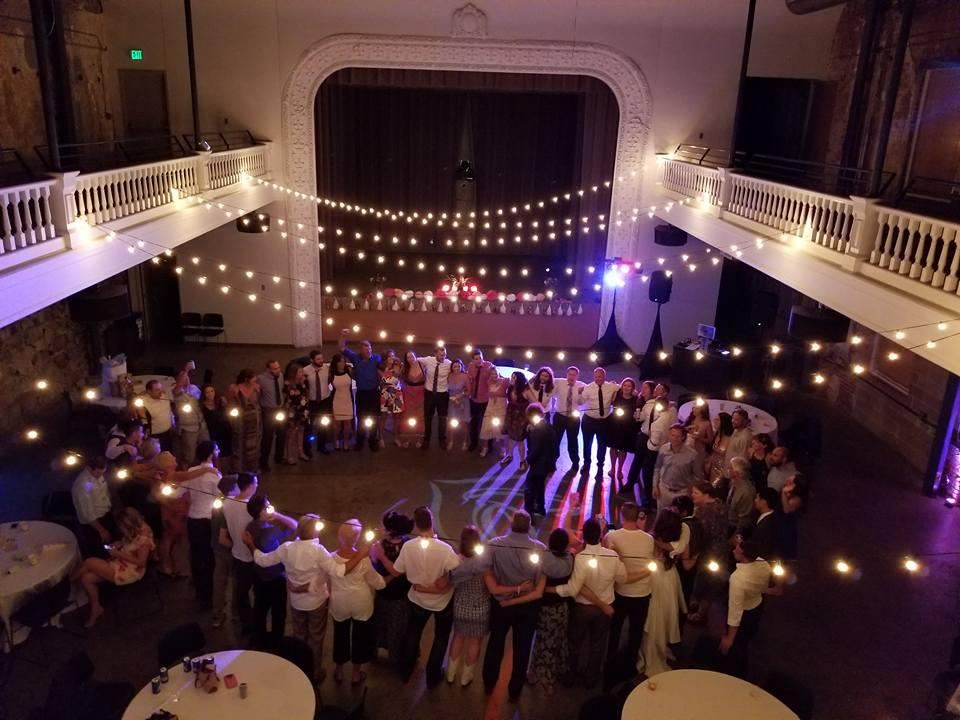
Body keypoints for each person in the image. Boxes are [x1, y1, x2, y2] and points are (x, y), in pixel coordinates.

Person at [254, 514, 359, 683]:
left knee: (299, 636)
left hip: (296, 602)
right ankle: (315, 672)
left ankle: (300, 670)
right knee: (316, 638)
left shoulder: (286, 548)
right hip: (317, 602)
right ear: (314, 532)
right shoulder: (318, 551)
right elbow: (338, 571)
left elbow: (263, 561)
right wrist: (361, 555)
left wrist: (251, 546)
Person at [553, 517, 627, 690]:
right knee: (597, 645)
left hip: (582, 608)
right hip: (605, 608)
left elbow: (573, 589)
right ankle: (591, 679)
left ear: (584, 537)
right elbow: (623, 579)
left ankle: (570, 676)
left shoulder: (580, 558)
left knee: (574, 643)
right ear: (601, 535)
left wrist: (552, 590)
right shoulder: (612, 556)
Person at [481, 510, 547, 700]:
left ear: (511, 525)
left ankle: (489, 682)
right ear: (529, 527)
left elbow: (487, 570)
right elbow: (537, 583)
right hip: (527, 607)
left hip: (501, 604)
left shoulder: (494, 544)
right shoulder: (540, 549)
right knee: (522, 649)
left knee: (495, 643)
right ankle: (515, 690)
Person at [392, 506, 461, 687]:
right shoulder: (445, 549)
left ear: (416, 525)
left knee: (413, 633)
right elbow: (457, 569)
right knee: (441, 638)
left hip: (417, 599)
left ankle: (406, 670)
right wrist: (445, 582)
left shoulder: (408, 547)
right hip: (442, 603)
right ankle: (432, 676)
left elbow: (398, 570)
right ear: (432, 522)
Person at [70, 507, 154, 627]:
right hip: (122, 563)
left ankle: (67, 584)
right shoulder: (136, 528)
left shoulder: (144, 538)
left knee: (89, 562)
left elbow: (142, 563)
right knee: (86, 578)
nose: (121, 530)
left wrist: (119, 554)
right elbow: (131, 543)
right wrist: (121, 544)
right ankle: (96, 609)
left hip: (131, 571)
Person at [603, 502, 654, 687]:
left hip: (621, 592)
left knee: (615, 630)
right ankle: (629, 668)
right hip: (642, 593)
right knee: (636, 632)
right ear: (638, 517)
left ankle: (609, 666)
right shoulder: (649, 539)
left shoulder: (611, 537)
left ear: (621, 515)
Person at [329, 520, 384, 685]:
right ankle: (355, 673)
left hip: (339, 602)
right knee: (360, 637)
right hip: (361, 602)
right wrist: (387, 580)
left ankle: (339, 671)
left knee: (340, 635)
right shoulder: (364, 560)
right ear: (357, 538)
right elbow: (376, 582)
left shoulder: (330, 558)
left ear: (339, 536)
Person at [244, 494, 297, 647]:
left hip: (258, 575)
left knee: (260, 609)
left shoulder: (250, 527)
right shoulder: (269, 531)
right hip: (275, 577)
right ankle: (276, 642)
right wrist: (277, 515)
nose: (270, 508)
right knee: (278, 612)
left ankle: (259, 640)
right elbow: (294, 525)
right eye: (267, 507)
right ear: (261, 511)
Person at [639, 509, 686, 677]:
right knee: (663, 616)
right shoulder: (677, 541)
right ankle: (660, 647)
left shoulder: (652, 539)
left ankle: (650, 653)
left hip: (656, 577)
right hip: (670, 577)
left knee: (653, 617)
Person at [529, 528, 575, 696]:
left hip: (545, 608)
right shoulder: (570, 561)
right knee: (556, 642)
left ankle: (535, 673)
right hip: (561, 608)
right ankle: (549, 676)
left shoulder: (544, 559)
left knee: (541, 640)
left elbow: (536, 581)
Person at [719, 538, 771, 678]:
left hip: (744, 614)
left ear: (745, 556)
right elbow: (764, 587)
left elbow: (735, 611)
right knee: (745, 641)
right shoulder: (765, 564)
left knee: (737, 648)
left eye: (737, 550)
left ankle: (736, 676)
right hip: (757, 607)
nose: (734, 550)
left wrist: (729, 639)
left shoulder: (737, 578)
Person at [443, 525, 488, 686]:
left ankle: (450, 673)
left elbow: (449, 582)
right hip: (480, 608)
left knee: (458, 637)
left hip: (460, 606)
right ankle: (466, 677)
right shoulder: (484, 563)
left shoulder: (456, 561)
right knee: (475, 642)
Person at [181, 441, 223, 606]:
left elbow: (179, 491)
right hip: (208, 520)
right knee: (209, 558)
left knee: (196, 556)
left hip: (193, 519)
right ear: (211, 454)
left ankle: (199, 591)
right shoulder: (214, 475)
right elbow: (221, 496)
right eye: (216, 449)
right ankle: (208, 595)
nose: (218, 451)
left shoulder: (191, 472)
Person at [370, 511, 414, 663]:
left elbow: (375, 568)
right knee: (397, 629)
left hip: (385, 594)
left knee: (379, 625)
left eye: (383, 525)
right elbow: (402, 570)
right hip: (401, 596)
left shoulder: (379, 547)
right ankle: (396, 658)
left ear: (390, 530)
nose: (380, 527)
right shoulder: (408, 545)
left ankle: (376, 654)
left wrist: (382, 558)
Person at [220, 472, 260, 635]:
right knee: (258, 593)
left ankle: (246, 624)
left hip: (237, 555)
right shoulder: (251, 509)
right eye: (255, 483)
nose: (257, 486)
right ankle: (257, 624)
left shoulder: (227, 503)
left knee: (242, 593)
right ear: (250, 486)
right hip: (253, 556)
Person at [687, 481, 729, 624]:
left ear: (706, 495)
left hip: (708, 552)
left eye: (696, 493)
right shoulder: (721, 505)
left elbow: (701, 534)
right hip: (721, 550)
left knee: (707, 582)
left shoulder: (703, 511)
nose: (692, 495)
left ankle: (701, 613)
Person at [339, 331, 383, 451]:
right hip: (362, 393)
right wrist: (343, 336)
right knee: (361, 417)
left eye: (369, 348)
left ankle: (372, 441)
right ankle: (360, 441)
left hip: (374, 393)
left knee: (373, 418)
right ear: (360, 350)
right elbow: (342, 348)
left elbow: (385, 369)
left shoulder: (377, 358)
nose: (369, 350)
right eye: (366, 348)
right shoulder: (355, 358)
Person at [577, 368, 620, 483]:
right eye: (596, 377)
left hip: (604, 422)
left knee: (602, 446)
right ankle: (586, 464)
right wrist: (579, 393)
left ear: (604, 376)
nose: (598, 379)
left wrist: (634, 392)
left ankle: (600, 467)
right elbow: (580, 402)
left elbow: (623, 388)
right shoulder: (588, 388)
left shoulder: (611, 386)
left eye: (600, 376)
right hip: (588, 421)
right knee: (587, 444)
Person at [640, 384, 678, 508]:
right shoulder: (672, 411)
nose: (655, 390)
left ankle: (648, 498)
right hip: (667, 447)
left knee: (648, 472)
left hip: (654, 450)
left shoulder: (658, 423)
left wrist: (648, 442)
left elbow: (654, 444)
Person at [71, 456, 116, 559]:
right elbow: (86, 512)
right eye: (98, 473)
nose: (101, 475)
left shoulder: (98, 475)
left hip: (106, 515)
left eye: (103, 472)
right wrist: (101, 530)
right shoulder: (83, 485)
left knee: (111, 545)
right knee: (100, 551)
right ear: (88, 468)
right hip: (94, 524)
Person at [652, 424, 704, 512]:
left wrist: (690, 491)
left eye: (678, 436)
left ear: (683, 437)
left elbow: (698, 476)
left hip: (682, 492)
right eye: (672, 435)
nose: (674, 438)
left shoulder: (692, 455)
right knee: (661, 516)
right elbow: (657, 468)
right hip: (664, 490)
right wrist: (655, 486)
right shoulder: (663, 449)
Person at [210, 475, 237, 628]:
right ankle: (235, 614)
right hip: (228, 549)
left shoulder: (218, 502)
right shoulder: (229, 506)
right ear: (233, 489)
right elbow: (223, 537)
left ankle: (217, 615)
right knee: (235, 582)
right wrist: (236, 547)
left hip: (217, 547)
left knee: (219, 581)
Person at [621, 380, 655, 499]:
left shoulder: (654, 404)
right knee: (636, 461)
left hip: (650, 436)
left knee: (647, 465)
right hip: (640, 433)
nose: (643, 389)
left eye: (646, 388)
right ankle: (630, 483)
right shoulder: (640, 400)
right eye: (643, 387)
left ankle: (647, 493)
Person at [418, 346, 452, 450]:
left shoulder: (449, 364)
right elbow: (414, 360)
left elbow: (459, 368)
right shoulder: (428, 360)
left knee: (442, 418)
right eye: (441, 355)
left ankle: (442, 439)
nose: (443, 357)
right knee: (428, 417)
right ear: (435, 354)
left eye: (445, 355)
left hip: (443, 394)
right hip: (429, 393)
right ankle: (426, 439)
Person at [607, 378, 640, 485]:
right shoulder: (616, 394)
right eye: (624, 385)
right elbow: (611, 385)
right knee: (613, 447)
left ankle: (620, 469)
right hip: (614, 424)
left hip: (627, 426)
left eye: (629, 386)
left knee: (623, 449)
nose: (626, 388)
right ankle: (612, 467)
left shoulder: (635, 399)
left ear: (633, 388)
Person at [524, 403, 554, 520]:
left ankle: (528, 516)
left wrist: (526, 461)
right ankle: (540, 508)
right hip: (547, 464)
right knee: (540, 486)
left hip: (538, 465)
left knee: (529, 489)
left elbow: (535, 450)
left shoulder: (536, 431)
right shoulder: (548, 426)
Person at [552, 366, 585, 467]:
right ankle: (552, 461)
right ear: (567, 374)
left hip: (573, 419)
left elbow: (581, 403)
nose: (571, 377)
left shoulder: (582, 386)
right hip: (559, 416)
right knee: (555, 440)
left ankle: (575, 462)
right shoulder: (559, 382)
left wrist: (580, 394)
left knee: (573, 441)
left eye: (574, 375)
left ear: (577, 376)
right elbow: (546, 379)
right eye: (570, 374)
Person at [256, 360, 286, 471]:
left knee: (282, 434)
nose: (278, 370)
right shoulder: (261, 379)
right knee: (268, 437)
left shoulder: (280, 376)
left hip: (280, 408)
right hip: (268, 410)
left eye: (278, 367)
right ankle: (263, 461)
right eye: (275, 369)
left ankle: (279, 457)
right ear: (268, 369)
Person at [466, 349, 497, 452]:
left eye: (480, 358)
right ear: (473, 360)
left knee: (488, 423)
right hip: (474, 400)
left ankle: (489, 445)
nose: (479, 360)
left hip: (486, 400)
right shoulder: (470, 366)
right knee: (473, 423)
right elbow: (469, 379)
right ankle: (474, 443)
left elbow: (497, 376)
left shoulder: (489, 365)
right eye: (476, 359)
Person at [173, 372, 206, 468]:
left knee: (206, 449)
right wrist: (186, 370)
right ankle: (187, 471)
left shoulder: (194, 389)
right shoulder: (177, 391)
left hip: (202, 426)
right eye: (184, 378)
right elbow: (178, 388)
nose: (186, 380)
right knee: (189, 455)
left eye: (187, 377)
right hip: (189, 428)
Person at [303, 349, 332, 457]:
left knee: (323, 424)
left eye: (322, 358)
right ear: (312, 360)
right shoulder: (305, 371)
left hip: (324, 401)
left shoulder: (327, 368)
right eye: (318, 359)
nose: (321, 360)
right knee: (309, 426)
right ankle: (307, 448)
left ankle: (321, 446)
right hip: (312, 402)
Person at [280, 364, 310, 464]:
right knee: (291, 433)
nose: (302, 374)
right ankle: (290, 455)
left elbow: (306, 395)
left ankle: (300, 452)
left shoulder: (303, 383)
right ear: (294, 373)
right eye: (300, 372)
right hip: (292, 412)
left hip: (303, 410)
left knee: (301, 431)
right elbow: (286, 398)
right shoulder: (288, 384)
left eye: (302, 371)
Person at [200, 384, 234, 471]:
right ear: (204, 394)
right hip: (212, 432)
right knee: (215, 453)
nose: (210, 394)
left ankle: (226, 471)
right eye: (207, 392)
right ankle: (217, 471)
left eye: (212, 391)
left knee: (226, 452)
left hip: (224, 430)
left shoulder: (220, 402)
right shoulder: (202, 406)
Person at [396, 351, 425, 448]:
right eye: (408, 357)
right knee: (407, 416)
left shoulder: (422, 364)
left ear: (415, 356)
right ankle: (407, 439)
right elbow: (398, 377)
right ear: (406, 359)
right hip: (408, 394)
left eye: (412, 356)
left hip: (421, 394)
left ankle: (419, 440)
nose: (411, 358)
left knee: (420, 417)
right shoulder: (404, 367)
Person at [503, 371, 531, 469]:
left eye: (514, 377)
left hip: (521, 417)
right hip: (511, 415)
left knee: (519, 440)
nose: (512, 379)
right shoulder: (510, 388)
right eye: (512, 377)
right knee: (510, 437)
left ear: (519, 379)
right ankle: (510, 456)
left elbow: (535, 403)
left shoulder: (525, 390)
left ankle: (522, 461)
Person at [329, 353, 355, 451]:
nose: (342, 363)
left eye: (343, 361)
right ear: (335, 363)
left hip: (348, 400)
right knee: (337, 425)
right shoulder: (331, 374)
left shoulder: (349, 370)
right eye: (339, 361)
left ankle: (346, 442)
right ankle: (336, 440)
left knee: (347, 423)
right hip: (337, 400)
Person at [479, 371, 507, 458]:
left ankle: (502, 448)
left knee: (500, 428)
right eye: (492, 374)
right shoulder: (488, 382)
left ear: (498, 374)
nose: (494, 375)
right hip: (491, 407)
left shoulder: (504, 381)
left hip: (501, 407)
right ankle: (485, 448)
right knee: (486, 427)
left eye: (495, 374)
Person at [747, 487, 781, 559]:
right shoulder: (764, 517)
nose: (755, 500)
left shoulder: (768, 523)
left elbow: (762, 547)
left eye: (757, 498)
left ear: (764, 501)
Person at [778, 473, 806, 561]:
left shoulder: (797, 499)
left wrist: (784, 492)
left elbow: (786, 510)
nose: (787, 481)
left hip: (789, 526)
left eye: (790, 481)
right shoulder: (790, 493)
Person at [141, 379, 175, 452]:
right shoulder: (144, 402)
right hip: (156, 436)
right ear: (149, 392)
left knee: (168, 452)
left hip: (168, 432)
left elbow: (178, 385)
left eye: (160, 389)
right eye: (157, 390)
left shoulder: (165, 396)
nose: (160, 392)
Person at [379, 356, 405, 447]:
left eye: (393, 357)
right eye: (389, 357)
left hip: (396, 394)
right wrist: (387, 369)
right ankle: (381, 438)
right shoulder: (382, 368)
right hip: (385, 394)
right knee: (383, 417)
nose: (391, 359)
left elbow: (397, 377)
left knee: (397, 418)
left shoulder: (399, 367)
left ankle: (396, 438)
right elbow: (382, 382)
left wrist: (396, 366)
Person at [727, 456, 758, 532]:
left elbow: (745, 520)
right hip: (730, 524)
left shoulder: (746, 491)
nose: (728, 469)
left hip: (737, 529)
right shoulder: (733, 483)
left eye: (730, 468)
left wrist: (736, 535)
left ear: (737, 472)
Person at [706, 412, 734, 491]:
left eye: (717, 420)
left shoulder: (730, 438)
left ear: (724, 422)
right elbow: (713, 451)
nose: (714, 421)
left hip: (722, 469)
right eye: (715, 419)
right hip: (713, 466)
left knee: (717, 489)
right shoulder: (717, 433)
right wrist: (709, 462)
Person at [446, 359, 470, 450]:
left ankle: (465, 442)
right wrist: (452, 398)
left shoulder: (465, 376)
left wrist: (461, 395)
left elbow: (469, 391)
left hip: (463, 401)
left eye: (458, 366)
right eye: (454, 366)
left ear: (461, 367)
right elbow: (446, 389)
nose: (456, 368)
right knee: (451, 422)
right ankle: (451, 441)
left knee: (464, 423)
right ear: (452, 367)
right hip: (452, 401)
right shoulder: (449, 376)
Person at [684, 402, 715, 472]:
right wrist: (687, 429)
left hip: (699, 451)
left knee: (697, 470)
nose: (694, 410)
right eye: (693, 408)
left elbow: (710, 440)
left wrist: (699, 438)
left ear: (703, 410)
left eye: (696, 408)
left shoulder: (707, 423)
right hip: (687, 448)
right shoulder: (690, 419)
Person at [724, 409, 754, 475]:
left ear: (744, 421)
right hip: (728, 469)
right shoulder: (736, 429)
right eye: (733, 418)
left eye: (736, 419)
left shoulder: (745, 438)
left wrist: (735, 473)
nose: (733, 421)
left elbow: (743, 459)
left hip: (735, 473)